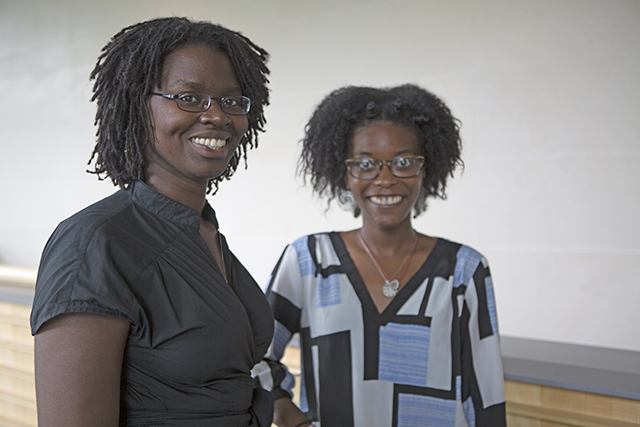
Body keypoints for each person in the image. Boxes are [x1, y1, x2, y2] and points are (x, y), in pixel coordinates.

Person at [30, 17, 274, 427]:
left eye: (232, 101)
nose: (217, 116)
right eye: (189, 98)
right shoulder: (96, 242)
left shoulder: (204, 231)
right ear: (136, 105)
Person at [253, 85, 506, 426]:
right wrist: (292, 419)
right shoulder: (309, 261)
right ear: (344, 173)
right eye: (365, 163)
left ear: (425, 169)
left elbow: (485, 394)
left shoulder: (464, 270)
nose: (384, 179)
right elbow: (254, 357)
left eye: (403, 162)